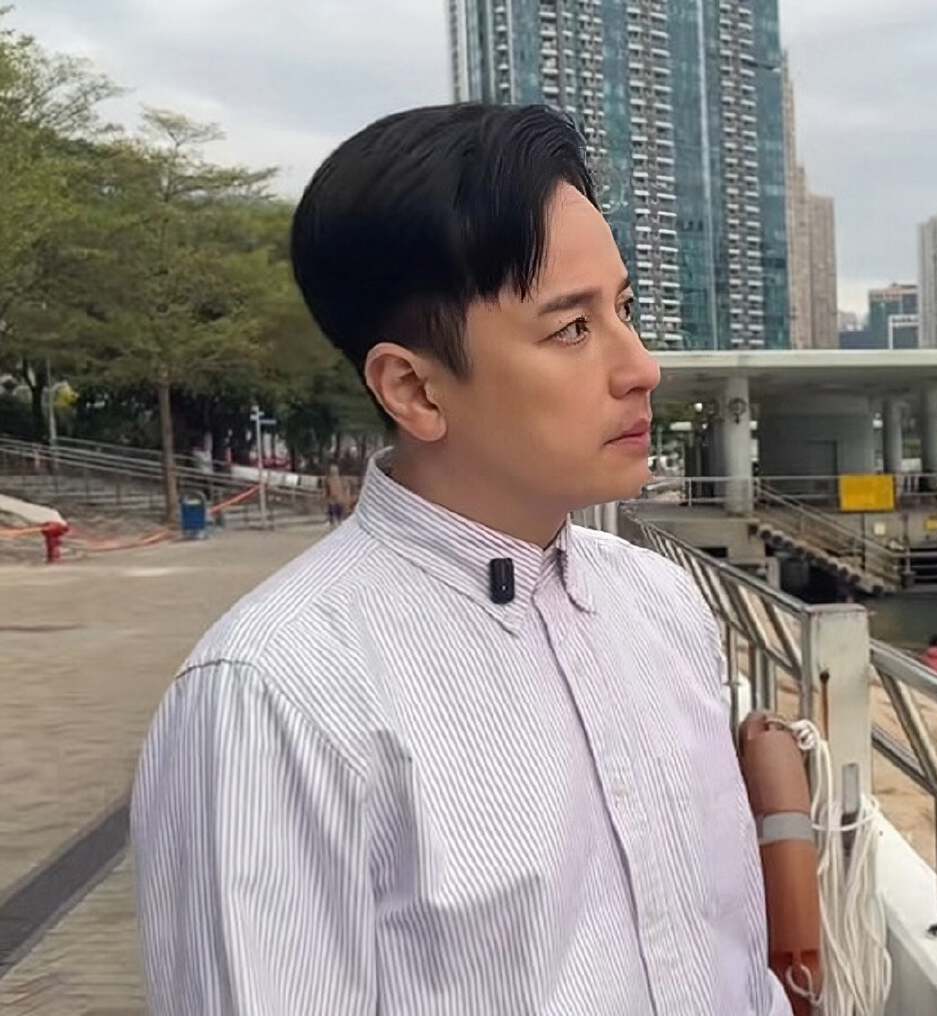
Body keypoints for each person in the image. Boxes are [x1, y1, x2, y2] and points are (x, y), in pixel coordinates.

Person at [131, 104, 787, 1015]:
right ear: (414, 388)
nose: (641, 367)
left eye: (625, 310)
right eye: (572, 329)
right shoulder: (276, 695)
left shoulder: (661, 604)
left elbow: (733, 963)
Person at [323, 461, 353, 527]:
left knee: (339, 510)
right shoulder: (328, 480)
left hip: (340, 499)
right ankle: (331, 521)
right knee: (331, 508)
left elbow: (345, 488)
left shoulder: (341, 479)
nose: (333, 471)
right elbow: (327, 490)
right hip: (332, 498)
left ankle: (339, 520)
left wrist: (346, 497)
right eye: (332, 470)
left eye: (334, 470)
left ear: (337, 470)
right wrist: (326, 496)